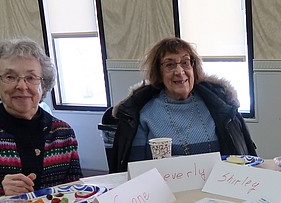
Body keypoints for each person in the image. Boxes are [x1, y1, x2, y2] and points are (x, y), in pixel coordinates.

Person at [0, 38, 82, 202]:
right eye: (10, 77)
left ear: (44, 84)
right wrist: (2, 199)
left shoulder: (63, 133)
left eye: (31, 77)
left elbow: (77, 195)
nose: (22, 86)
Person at [109, 37, 256, 172]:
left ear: (193, 67)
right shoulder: (144, 112)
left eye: (185, 63)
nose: (180, 72)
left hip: (217, 189)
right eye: (170, 65)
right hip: (163, 193)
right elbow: (137, 169)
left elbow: (240, 160)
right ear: (159, 73)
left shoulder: (219, 106)